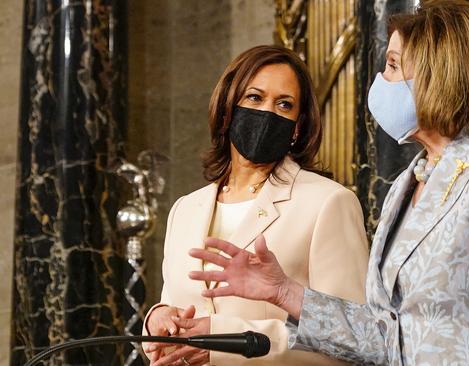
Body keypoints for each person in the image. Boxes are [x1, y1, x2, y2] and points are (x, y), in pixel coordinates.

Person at [188, 1, 469, 365]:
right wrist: (284, 292)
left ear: (439, 73)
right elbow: (385, 336)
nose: (380, 81)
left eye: (391, 66)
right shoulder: (407, 182)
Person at [142, 45, 369, 366]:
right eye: (254, 98)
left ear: (298, 128)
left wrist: (224, 344)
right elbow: (177, 313)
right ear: (227, 111)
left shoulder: (328, 202)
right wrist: (158, 319)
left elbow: (352, 339)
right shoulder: (185, 209)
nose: (266, 113)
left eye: (284, 104)